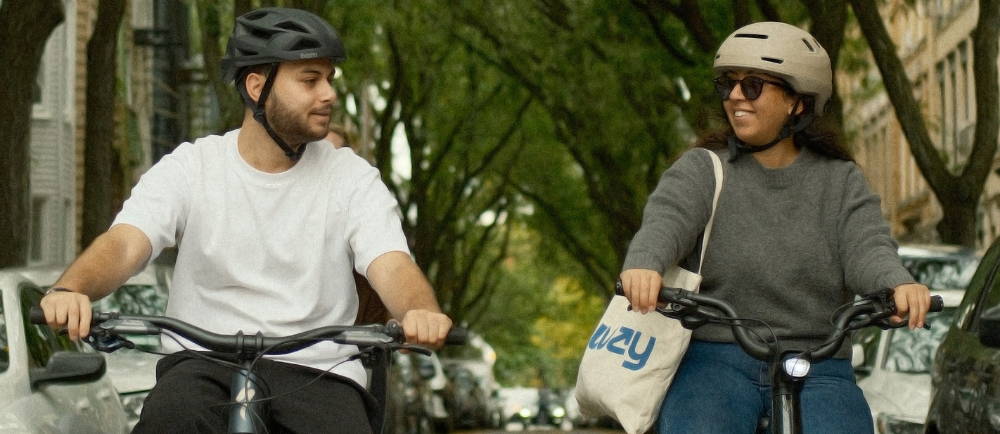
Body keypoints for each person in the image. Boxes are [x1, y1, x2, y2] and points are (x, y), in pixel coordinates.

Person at [38, 7, 452, 433]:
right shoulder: (192, 166)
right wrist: (73, 289)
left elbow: (392, 264)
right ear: (257, 86)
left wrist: (420, 310)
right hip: (202, 365)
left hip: (318, 370)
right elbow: (126, 242)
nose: (328, 93)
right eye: (310, 80)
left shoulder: (352, 179)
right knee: (169, 420)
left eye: (329, 79)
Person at [618, 21, 931, 433]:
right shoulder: (703, 169)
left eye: (752, 86)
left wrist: (896, 284)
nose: (734, 97)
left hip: (821, 360)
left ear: (796, 103)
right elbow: (667, 220)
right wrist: (644, 264)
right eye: (727, 85)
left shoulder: (839, 180)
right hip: (717, 358)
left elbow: (867, 245)